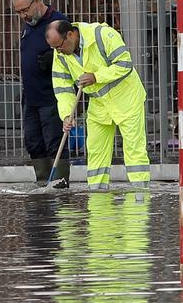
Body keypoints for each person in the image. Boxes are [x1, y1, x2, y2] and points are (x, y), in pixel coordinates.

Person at [46, 19, 151, 189]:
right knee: (96, 150)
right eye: (54, 48)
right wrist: (67, 114)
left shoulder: (102, 35)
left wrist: (96, 76)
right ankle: (97, 196)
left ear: (71, 35)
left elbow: (125, 64)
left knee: (134, 148)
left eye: (59, 46)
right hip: (99, 103)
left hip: (126, 98)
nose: (58, 51)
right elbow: (62, 87)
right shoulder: (61, 54)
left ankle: (140, 193)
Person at [10, 0, 72, 184]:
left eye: (25, 10)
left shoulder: (57, 22)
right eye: (18, 12)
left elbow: (71, 56)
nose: (23, 16)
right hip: (31, 97)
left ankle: (59, 185)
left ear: (37, 1)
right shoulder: (29, 25)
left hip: (51, 96)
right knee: (34, 142)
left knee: (55, 142)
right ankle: (42, 181)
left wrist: (53, 57)